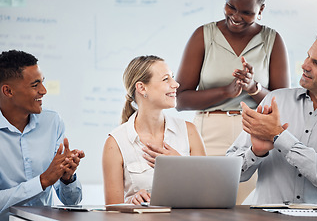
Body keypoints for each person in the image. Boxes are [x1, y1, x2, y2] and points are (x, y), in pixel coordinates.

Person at [175, 0, 290, 203]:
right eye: (231, 7)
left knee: (251, 209)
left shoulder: (272, 40)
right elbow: (180, 100)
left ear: (261, 10)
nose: (236, 16)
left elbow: (284, 103)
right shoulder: (203, 35)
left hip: (254, 135)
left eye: (247, 12)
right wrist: (226, 92)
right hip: (208, 134)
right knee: (206, 207)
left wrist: (253, 88)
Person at [227, 25, 317, 210]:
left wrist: (279, 137)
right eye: (308, 56)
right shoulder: (276, 100)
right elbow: (230, 173)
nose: (305, 65)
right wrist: (255, 152)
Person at [102, 55, 206, 205]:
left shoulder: (189, 132)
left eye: (172, 77)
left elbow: (206, 195)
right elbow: (112, 212)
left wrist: (180, 166)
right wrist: (131, 203)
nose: (176, 84)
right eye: (166, 79)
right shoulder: (115, 143)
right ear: (142, 88)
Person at [0, 50, 85, 219]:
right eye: (35, 85)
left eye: (42, 83)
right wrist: (42, 181)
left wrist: (67, 178)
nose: (44, 91)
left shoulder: (52, 122)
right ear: (8, 91)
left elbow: (72, 202)